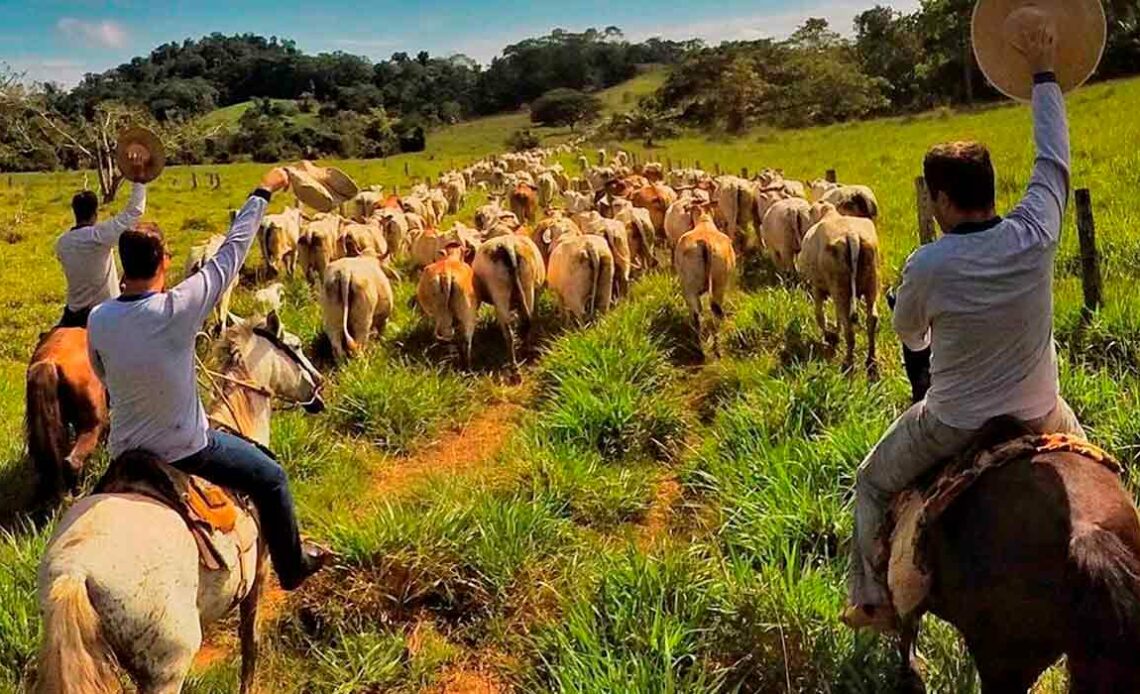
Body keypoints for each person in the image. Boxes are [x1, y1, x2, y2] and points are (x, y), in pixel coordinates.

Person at [843, 20, 1085, 630]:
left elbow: (909, 335)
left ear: (942, 201)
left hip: (951, 420)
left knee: (870, 483)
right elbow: (1054, 158)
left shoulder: (927, 265)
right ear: (992, 188)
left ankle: (871, 602)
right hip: (1040, 408)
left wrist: (926, 346)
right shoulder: (1036, 234)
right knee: (1103, 467)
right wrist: (1044, 72)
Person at [86, 167, 330, 591]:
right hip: (185, 448)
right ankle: (292, 566)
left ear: (124, 265)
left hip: (124, 449)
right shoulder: (178, 308)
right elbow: (234, 250)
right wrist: (264, 188)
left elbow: (102, 373)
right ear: (164, 262)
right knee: (271, 477)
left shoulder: (99, 317)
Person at [55, 151, 149, 328]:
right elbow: (135, 211)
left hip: (73, 314)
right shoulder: (99, 236)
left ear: (75, 212)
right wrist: (139, 177)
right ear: (95, 214)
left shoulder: (61, 243)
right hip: (105, 312)